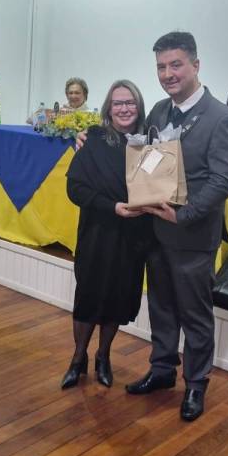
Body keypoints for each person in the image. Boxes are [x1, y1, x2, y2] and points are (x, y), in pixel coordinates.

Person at [126, 31, 228, 421]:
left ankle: (195, 384)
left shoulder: (222, 118)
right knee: (161, 307)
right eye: (161, 67)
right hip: (157, 232)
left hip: (192, 235)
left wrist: (184, 215)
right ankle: (162, 370)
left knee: (194, 314)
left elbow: (223, 181)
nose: (167, 74)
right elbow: (145, 157)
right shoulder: (159, 110)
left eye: (175, 65)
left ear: (196, 65)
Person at [61, 80, 152, 390]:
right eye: (118, 103)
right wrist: (111, 207)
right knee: (88, 297)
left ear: (139, 107)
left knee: (118, 298)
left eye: (130, 102)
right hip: (97, 234)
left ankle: (103, 357)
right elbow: (74, 188)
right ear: (108, 109)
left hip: (132, 236)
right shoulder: (94, 139)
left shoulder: (149, 144)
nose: (124, 108)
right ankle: (78, 359)